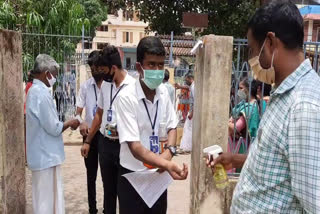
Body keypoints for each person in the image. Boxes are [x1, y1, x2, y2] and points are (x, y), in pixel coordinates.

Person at [208, 1, 320, 212]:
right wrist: (236, 159)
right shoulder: (284, 94)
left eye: (252, 49)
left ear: (270, 42)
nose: (252, 59)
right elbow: (281, 163)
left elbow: (314, 200)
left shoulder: (304, 105)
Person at [114, 36, 188, 214]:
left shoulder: (163, 92)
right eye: (151, 64)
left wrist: (168, 153)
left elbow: (172, 127)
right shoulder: (126, 98)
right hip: (133, 177)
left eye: (161, 65)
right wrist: (168, 164)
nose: (157, 70)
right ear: (139, 67)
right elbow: (135, 147)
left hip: (158, 177)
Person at [81, 46, 136, 214]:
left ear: (114, 68)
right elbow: (99, 114)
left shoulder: (133, 86)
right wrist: (88, 141)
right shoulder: (106, 85)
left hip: (124, 146)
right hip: (106, 144)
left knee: (124, 190)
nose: (102, 75)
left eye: (104, 71)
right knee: (108, 190)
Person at [26, 54, 80, 214]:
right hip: (45, 157)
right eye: (54, 75)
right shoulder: (40, 94)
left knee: (49, 200)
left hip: (44, 156)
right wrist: (70, 122)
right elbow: (53, 127)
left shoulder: (35, 91)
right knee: (45, 203)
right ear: (46, 73)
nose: (54, 79)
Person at [75, 50, 102, 214]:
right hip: (89, 136)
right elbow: (78, 112)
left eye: (98, 68)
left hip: (106, 136)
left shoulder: (110, 86)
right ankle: (92, 209)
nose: (95, 72)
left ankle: (108, 208)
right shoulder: (85, 86)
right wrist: (81, 121)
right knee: (90, 176)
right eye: (92, 69)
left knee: (108, 177)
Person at [228, 78, 260, 172]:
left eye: (241, 88)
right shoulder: (243, 104)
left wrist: (226, 122)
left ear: (248, 89)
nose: (239, 91)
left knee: (238, 170)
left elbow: (236, 127)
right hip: (234, 142)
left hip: (242, 144)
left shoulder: (251, 107)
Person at [176, 73, 194, 153]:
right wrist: (180, 87)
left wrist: (192, 113)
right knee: (187, 128)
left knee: (188, 129)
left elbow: (196, 101)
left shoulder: (194, 86)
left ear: (190, 79)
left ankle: (187, 147)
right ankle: (186, 147)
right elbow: (187, 87)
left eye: (186, 80)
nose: (186, 81)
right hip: (191, 110)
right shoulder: (193, 86)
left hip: (192, 112)